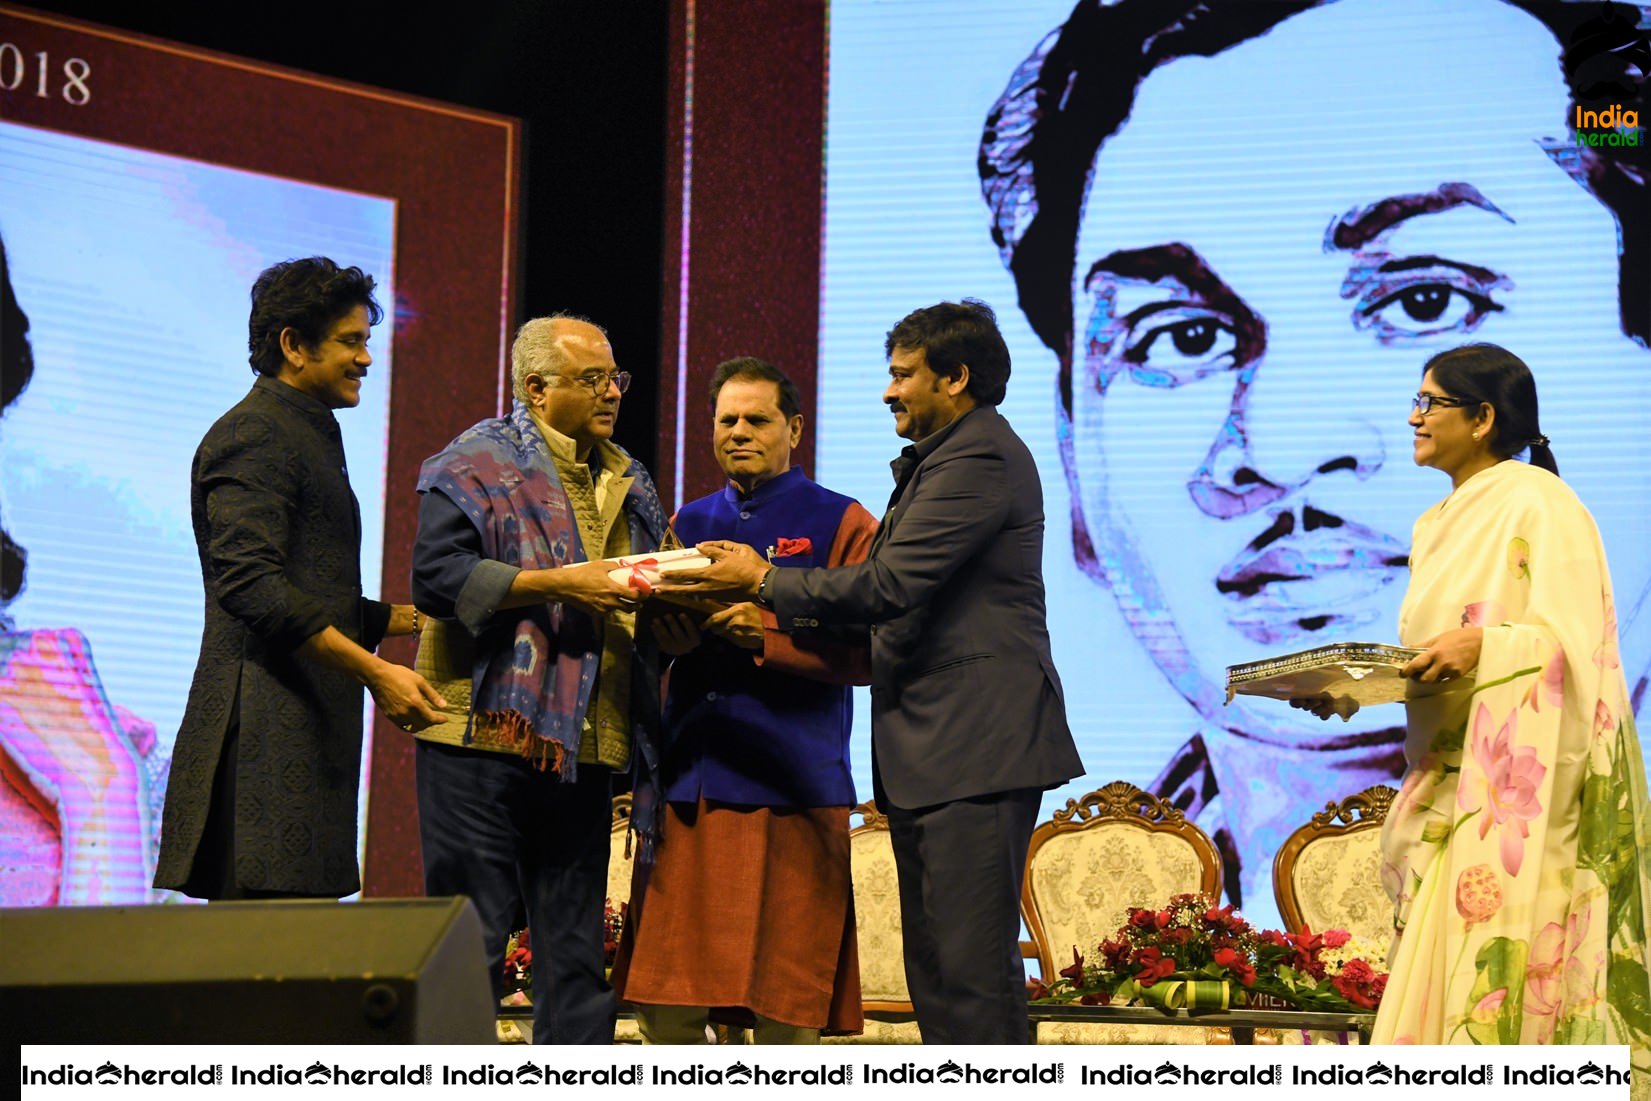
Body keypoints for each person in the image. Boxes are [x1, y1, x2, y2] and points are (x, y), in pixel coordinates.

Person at [977, 0, 1650, 912]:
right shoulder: (1103, 904)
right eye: (1177, 338)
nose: (1277, 448)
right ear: (1071, 452)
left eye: (1423, 301)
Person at [659, 300, 1084, 1044]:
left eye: (902, 376)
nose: (888, 392)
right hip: (939, 752)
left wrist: (763, 583)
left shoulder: (978, 456)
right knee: (939, 968)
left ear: (955, 378)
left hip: (974, 748)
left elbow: (885, 587)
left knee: (970, 972)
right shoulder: (943, 459)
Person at [1291, 343, 1651, 1064]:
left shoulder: (1538, 500)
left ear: (1482, 417)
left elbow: (1574, 647)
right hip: (1446, 785)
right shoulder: (1437, 521)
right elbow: (1444, 659)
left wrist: (1484, 645)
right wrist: (1365, 688)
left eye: (1429, 402)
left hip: (1521, 802)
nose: (1411, 416)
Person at [410, 313, 668, 1045]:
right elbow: (434, 577)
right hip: (479, 734)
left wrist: (682, 602)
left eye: (614, 377)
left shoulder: (628, 477)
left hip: (582, 741)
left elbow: (639, 588)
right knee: (472, 943)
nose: (610, 392)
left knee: (578, 958)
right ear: (534, 387)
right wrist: (561, 582)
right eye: (590, 379)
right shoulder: (475, 461)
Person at [153, 257, 444, 901]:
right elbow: (253, 590)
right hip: (261, 748)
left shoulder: (305, 429)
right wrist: (376, 672)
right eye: (351, 341)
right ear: (293, 344)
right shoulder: (255, 432)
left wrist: (425, 620)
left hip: (302, 743)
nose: (367, 359)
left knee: (290, 971)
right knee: (255, 980)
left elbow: (317, 597)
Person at [610, 356, 876, 1043]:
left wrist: (763, 633)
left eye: (756, 419)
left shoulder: (841, 520)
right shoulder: (685, 521)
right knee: (664, 1001)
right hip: (688, 787)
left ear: (793, 428)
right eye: (725, 419)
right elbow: (640, 646)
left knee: (788, 1004)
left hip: (794, 786)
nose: (738, 431)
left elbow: (873, 652)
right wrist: (665, 642)